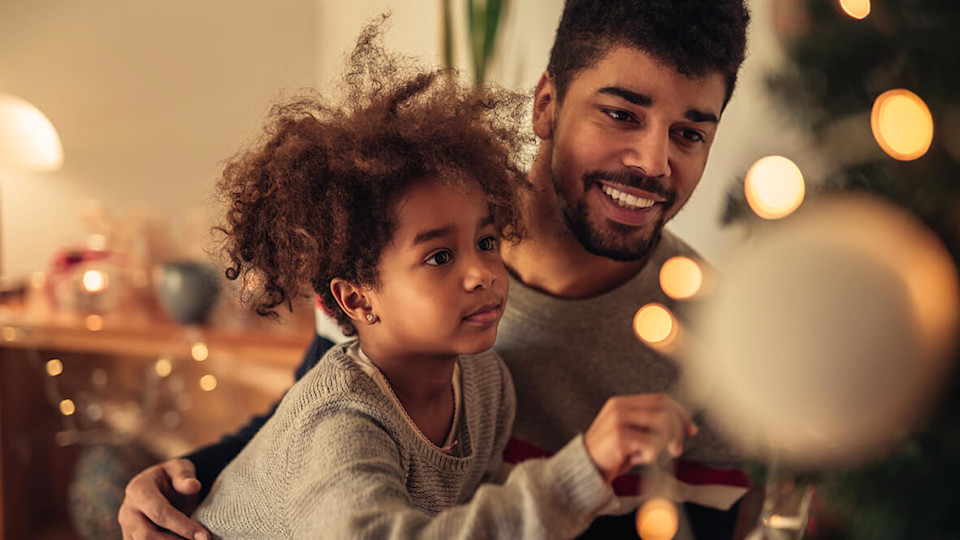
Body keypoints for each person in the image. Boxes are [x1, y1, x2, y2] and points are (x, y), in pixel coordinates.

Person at [119, 1, 751, 538]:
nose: (653, 163)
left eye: (690, 134)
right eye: (620, 114)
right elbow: (319, 417)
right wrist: (181, 481)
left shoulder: (718, 336)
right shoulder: (384, 244)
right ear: (547, 105)